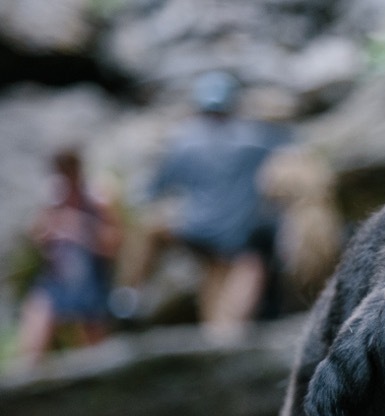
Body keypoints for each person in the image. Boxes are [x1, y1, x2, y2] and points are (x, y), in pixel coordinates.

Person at [127, 71, 288, 335]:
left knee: (153, 227)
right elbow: (291, 152)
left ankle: (132, 293)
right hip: (236, 239)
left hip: (195, 231)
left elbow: (152, 191)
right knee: (233, 278)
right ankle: (223, 336)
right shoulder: (258, 138)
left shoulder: (184, 140)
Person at [15, 147, 122, 367]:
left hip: (91, 281)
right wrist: (44, 232)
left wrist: (79, 228)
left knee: (94, 356)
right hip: (56, 278)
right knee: (31, 348)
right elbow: (36, 236)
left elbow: (114, 243)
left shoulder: (97, 197)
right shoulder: (53, 197)